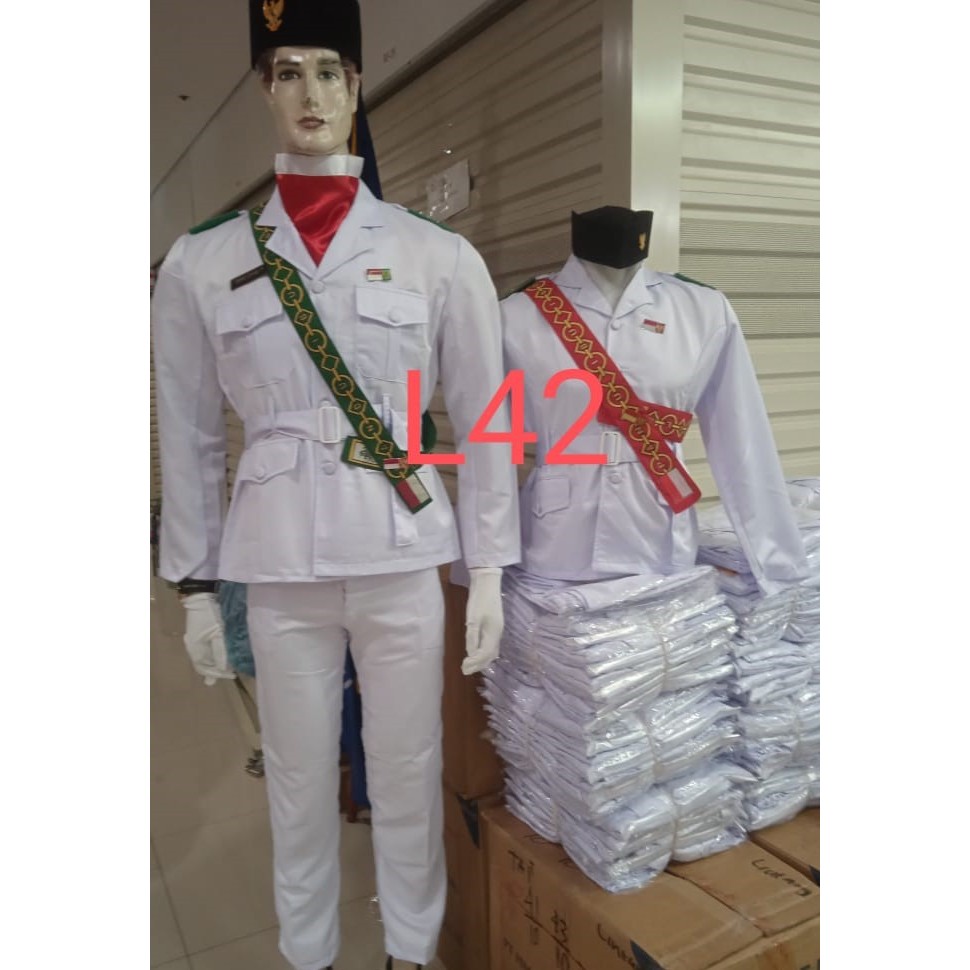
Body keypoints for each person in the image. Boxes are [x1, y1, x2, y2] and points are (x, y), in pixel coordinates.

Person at [151, 2, 520, 968]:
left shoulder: (437, 254)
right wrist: (195, 585)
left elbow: (489, 419)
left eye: (327, 71)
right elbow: (189, 432)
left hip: (400, 556)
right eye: (286, 72)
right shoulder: (203, 260)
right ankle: (308, 953)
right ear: (263, 91)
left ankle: (410, 949)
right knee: (297, 778)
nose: (308, 93)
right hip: (280, 565)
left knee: (407, 767)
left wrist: (489, 568)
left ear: (357, 87)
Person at [500, 205, 809, 592]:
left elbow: (742, 436)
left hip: (658, 529)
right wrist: (482, 567)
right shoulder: (516, 313)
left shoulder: (702, 309)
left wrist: (776, 562)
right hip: (559, 537)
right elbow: (492, 446)